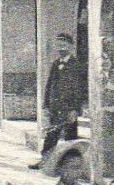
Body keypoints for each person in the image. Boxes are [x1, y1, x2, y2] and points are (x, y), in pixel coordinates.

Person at [32, 32, 87, 168]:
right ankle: (44, 162)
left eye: (64, 45)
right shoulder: (56, 64)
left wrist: (75, 110)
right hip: (55, 107)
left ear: (70, 46)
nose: (61, 48)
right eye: (59, 46)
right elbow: (50, 85)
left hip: (69, 108)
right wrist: (46, 104)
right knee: (51, 136)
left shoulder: (76, 65)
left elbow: (80, 89)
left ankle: (71, 167)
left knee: (70, 138)